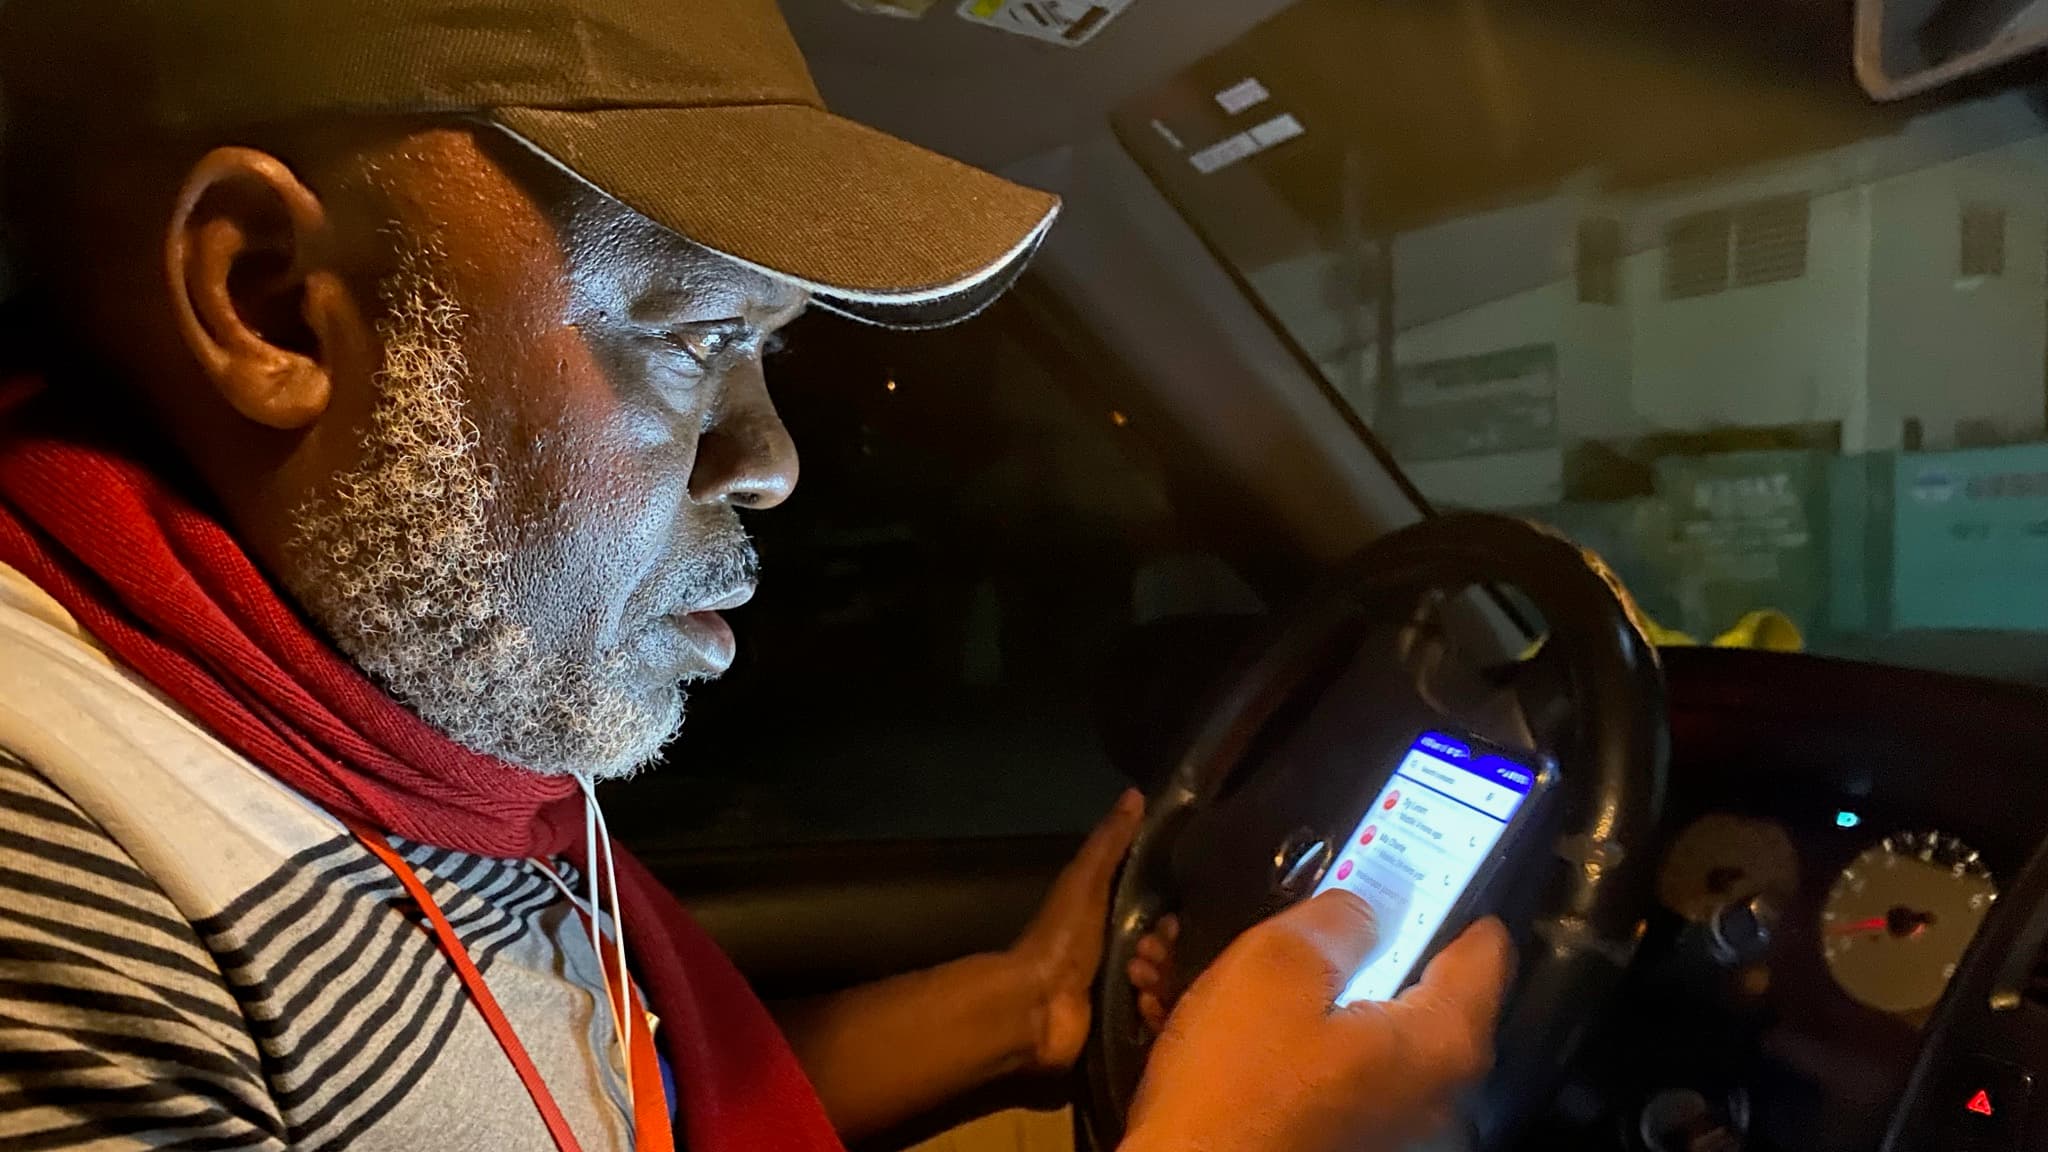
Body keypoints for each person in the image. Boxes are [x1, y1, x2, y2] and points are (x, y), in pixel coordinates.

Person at [0, 2, 1513, 1150]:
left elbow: (602, 1096)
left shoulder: (394, 710)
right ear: (273, 303)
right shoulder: (55, 904)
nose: (771, 459)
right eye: (696, 336)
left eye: (770, 353)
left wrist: (1026, 1007)